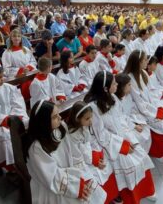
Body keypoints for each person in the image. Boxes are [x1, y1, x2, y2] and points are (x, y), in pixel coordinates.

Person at [84, 71, 156, 203]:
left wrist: (130, 134)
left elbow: (121, 118)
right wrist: (121, 146)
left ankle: (146, 191)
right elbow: (101, 135)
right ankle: (128, 197)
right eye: (114, 83)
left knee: (141, 154)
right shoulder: (93, 107)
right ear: (105, 88)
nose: (116, 84)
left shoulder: (113, 98)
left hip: (121, 136)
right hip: (107, 144)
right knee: (129, 162)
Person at [24, 100, 107, 203]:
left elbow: (74, 152)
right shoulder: (36, 148)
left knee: (92, 187)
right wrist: (77, 187)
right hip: (52, 185)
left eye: (58, 114)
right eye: (54, 117)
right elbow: (51, 176)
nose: (60, 117)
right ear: (43, 121)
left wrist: (83, 174)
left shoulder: (59, 129)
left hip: (68, 173)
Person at [123, 50, 163, 165]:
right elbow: (139, 103)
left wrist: (158, 107)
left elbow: (150, 93)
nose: (147, 61)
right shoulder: (130, 79)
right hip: (139, 112)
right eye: (145, 59)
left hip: (150, 106)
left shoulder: (143, 73)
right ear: (138, 62)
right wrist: (155, 113)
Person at [66, 101, 119, 203]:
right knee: (95, 177)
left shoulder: (84, 127)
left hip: (88, 157)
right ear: (77, 119)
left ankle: (111, 198)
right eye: (87, 119)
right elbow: (79, 154)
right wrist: (94, 160)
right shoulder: (72, 135)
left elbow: (89, 143)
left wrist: (98, 156)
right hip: (79, 163)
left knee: (107, 166)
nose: (91, 121)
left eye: (91, 117)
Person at [114, 73, 152, 153]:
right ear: (122, 87)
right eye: (129, 85)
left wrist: (137, 121)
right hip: (123, 127)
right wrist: (134, 126)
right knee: (139, 137)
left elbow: (131, 109)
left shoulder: (127, 96)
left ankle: (145, 153)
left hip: (130, 120)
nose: (131, 87)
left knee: (145, 128)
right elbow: (120, 119)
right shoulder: (115, 101)